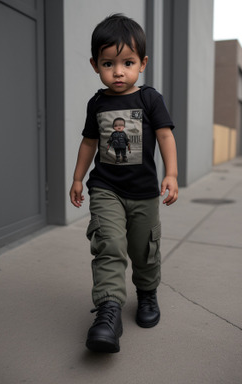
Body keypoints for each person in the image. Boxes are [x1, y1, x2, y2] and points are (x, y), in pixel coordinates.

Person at [70, 13, 178, 353]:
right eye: (108, 63)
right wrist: (77, 177)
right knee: (109, 244)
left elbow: (164, 135)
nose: (118, 71)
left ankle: (146, 293)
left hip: (144, 192)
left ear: (142, 63)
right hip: (106, 188)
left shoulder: (149, 99)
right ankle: (108, 310)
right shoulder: (98, 104)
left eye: (127, 62)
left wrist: (172, 174)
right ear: (95, 64)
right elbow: (89, 142)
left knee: (144, 251)